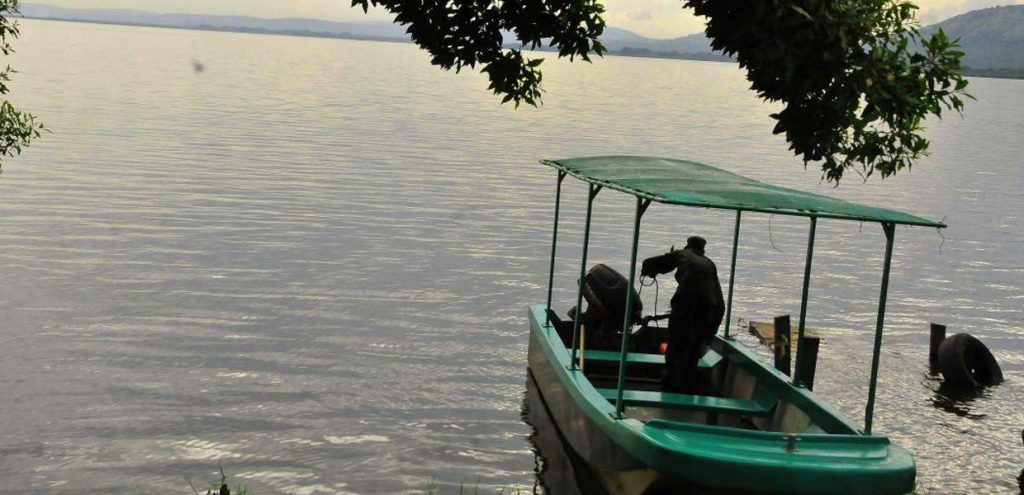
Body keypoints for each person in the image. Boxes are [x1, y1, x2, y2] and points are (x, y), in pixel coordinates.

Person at [640, 235, 725, 393]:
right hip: (707, 305)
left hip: (685, 299)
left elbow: (657, 262)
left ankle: (670, 383)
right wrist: (710, 333)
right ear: (702, 250)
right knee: (694, 343)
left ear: (688, 246)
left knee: (676, 340)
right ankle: (689, 383)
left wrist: (647, 270)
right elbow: (720, 303)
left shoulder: (684, 254)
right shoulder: (709, 264)